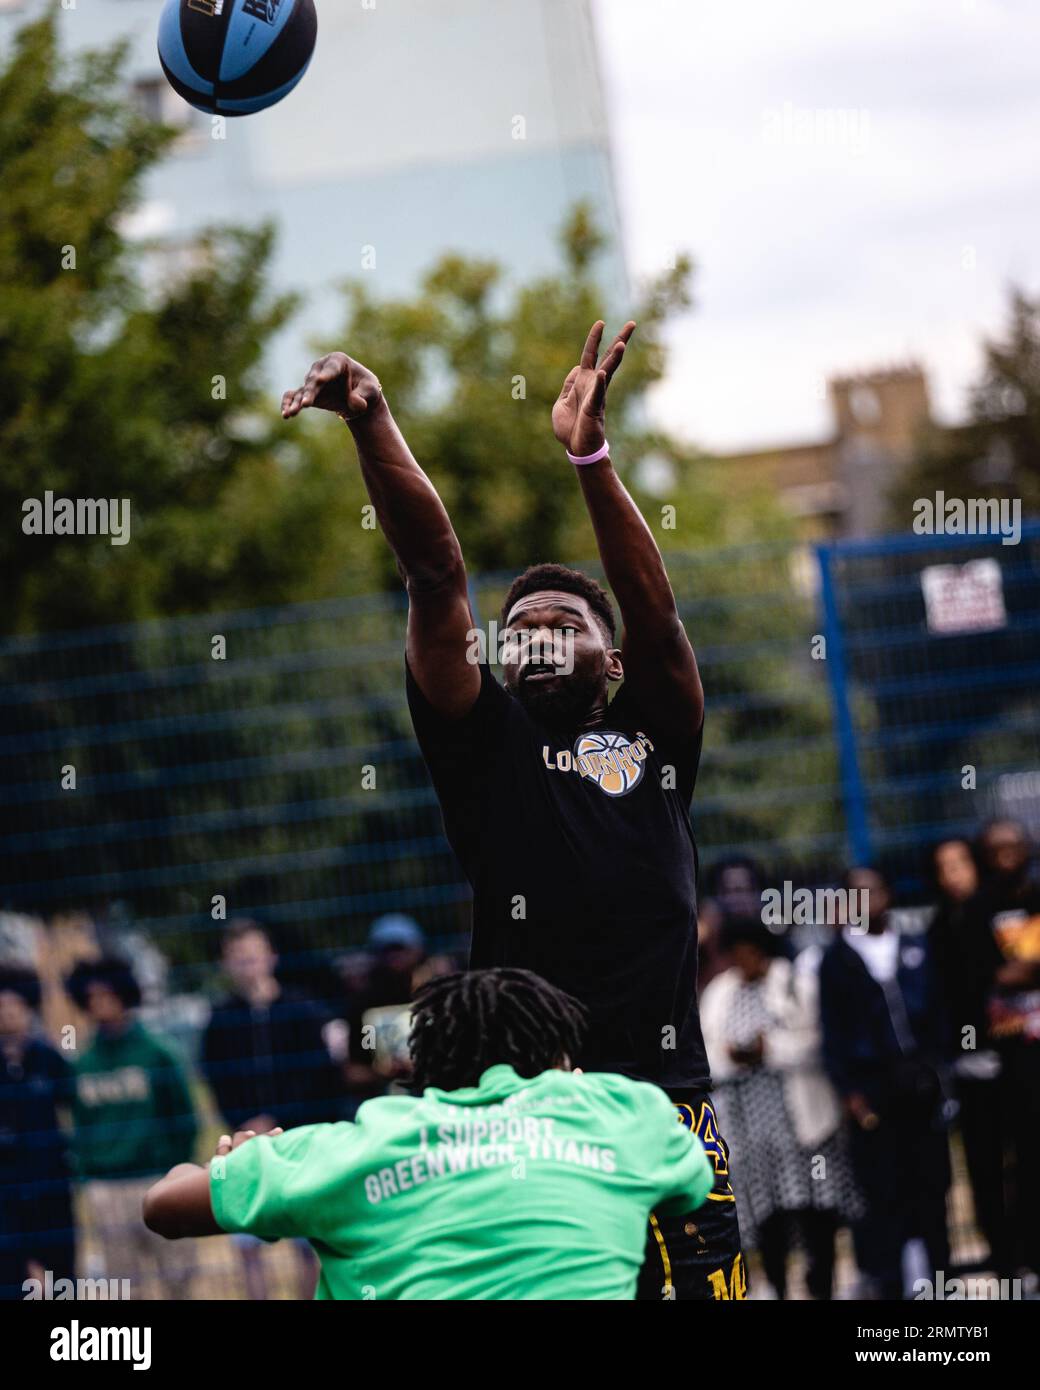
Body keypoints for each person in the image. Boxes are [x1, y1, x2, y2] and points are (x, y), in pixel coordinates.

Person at [279, 321, 745, 1301]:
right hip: (532, 1116)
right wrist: (371, 420)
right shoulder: (485, 749)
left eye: (560, 624)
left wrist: (589, 456)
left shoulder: (654, 733)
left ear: (608, 662)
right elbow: (435, 574)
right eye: (517, 628)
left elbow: (653, 612)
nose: (531, 635)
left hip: (669, 1107)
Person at [143, 968, 713, 1300]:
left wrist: (242, 1161)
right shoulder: (622, 1114)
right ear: (562, 1057)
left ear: (423, 1068)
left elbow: (164, 1206)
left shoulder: (356, 1146)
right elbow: (691, 1180)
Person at [700, 921, 858, 1299]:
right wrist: (735, 1057)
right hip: (752, 1134)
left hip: (803, 1127)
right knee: (767, 1217)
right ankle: (778, 1288)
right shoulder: (720, 992)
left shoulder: (796, 983)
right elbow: (706, 1051)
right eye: (736, 954)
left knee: (814, 1211)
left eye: (749, 952)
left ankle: (821, 1286)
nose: (743, 960)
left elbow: (817, 1040)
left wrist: (768, 1049)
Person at [819, 868, 950, 1299]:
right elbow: (832, 1034)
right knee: (883, 1191)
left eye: (873, 890)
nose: (867, 899)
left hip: (921, 1083)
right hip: (872, 1088)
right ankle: (891, 1285)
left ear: (889, 894)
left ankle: (940, 1278)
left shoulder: (915, 945)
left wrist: (942, 1070)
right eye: (856, 893)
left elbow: (938, 1012)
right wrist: (850, 1093)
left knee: (931, 1187)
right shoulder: (837, 960)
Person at [201, 919, 345, 1299]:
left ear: (271, 957)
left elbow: (319, 1076)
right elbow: (216, 1079)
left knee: (308, 1241)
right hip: (248, 1145)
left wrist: (278, 1119)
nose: (247, 964)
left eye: (253, 955)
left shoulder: (303, 1011)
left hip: (299, 1142)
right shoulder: (221, 1019)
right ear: (227, 964)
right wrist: (244, 1123)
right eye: (237, 957)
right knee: (248, 1245)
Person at [67, 956, 198, 1300]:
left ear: (125, 994)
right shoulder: (83, 1062)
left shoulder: (157, 1052)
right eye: (92, 997)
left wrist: (175, 1170)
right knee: (122, 1286)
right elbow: (79, 1125)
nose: (100, 1004)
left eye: (107, 994)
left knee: (179, 1275)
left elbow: (184, 1117)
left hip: (157, 1178)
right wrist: (88, 1174)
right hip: (107, 1187)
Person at [926, 837, 1009, 1274]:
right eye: (944, 865)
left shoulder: (999, 911)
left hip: (1015, 1056)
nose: (953, 873)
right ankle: (1002, 1252)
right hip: (968, 1062)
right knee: (982, 1162)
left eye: (961, 863)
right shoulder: (940, 926)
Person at [972, 820, 1040, 1279]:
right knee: (1021, 1155)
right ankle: (1024, 1255)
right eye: (996, 848)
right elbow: (981, 973)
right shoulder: (976, 910)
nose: (1007, 854)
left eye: (1013, 844)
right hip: (1008, 1053)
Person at [0, 964, 75, 1300]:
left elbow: (74, 1105)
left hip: (51, 1183)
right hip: (6, 1192)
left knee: (62, 1280)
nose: (6, 1015)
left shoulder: (48, 1059)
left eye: (13, 1006)